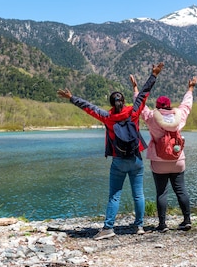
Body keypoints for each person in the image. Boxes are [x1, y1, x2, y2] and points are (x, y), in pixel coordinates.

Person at [57, 63, 164, 240]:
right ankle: (139, 226)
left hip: (119, 160)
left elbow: (89, 107)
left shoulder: (108, 117)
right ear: (123, 102)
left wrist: (71, 97)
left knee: (114, 195)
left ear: (112, 104)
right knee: (138, 194)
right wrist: (154, 74)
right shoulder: (133, 112)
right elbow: (144, 93)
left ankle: (108, 228)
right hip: (136, 159)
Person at [131, 74, 197, 232]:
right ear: (169, 106)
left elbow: (140, 105)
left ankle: (162, 224)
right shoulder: (179, 117)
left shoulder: (152, 117)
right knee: (181, 190)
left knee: (161, 192)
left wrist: (135, 88)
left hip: (158, 160)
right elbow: (186, 105)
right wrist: (190, 88)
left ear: (158, 106)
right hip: (177, 159)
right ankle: (187, 220)